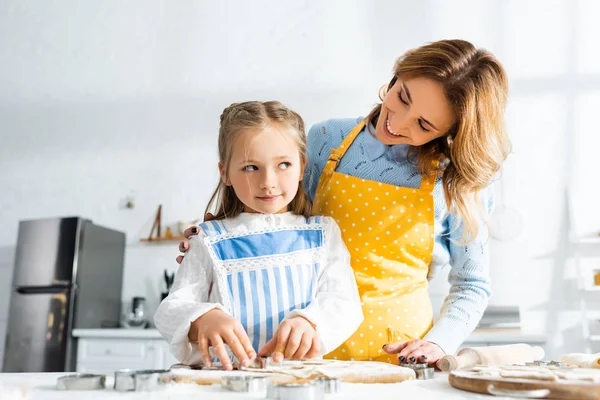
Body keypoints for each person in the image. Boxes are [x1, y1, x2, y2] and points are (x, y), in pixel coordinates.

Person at [177, 39, 511, 366]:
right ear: (396, 77)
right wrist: (219, 239)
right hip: (304, 352)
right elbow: (278, 213)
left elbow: (472, 284)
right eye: (402, 97)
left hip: (398, 361)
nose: (398, 122)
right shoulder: (327, 141)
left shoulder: (460, 183)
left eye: (424, 124)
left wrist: (439, 344)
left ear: (451, 131)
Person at [154, 101, 363, 371]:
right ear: (224, 172)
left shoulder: (323, 234)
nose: (268, 182)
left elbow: (344, 303)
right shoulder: (208, 239)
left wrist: (309, 322)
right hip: (222, 385)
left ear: (302, 166)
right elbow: (170, 311)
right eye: (251, 167)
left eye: (284, 164)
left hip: (297, 383)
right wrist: (202, 319)